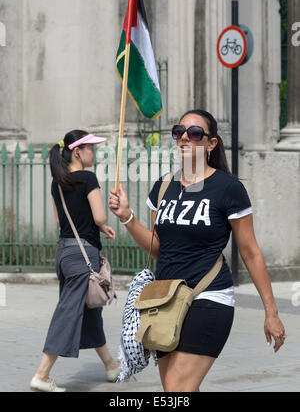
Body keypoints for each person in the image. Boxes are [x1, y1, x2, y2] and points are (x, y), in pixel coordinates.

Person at [109, 109, 286, 393]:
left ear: (211, 143)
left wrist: (271, 312)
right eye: (179, 132)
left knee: (179, 388)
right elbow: (158, 248)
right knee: (174, 389)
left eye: (193, 133)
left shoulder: (228, 189)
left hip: (209, 296)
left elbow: (250, 252)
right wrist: (127, 217)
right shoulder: (163, 187)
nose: (184, 139)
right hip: (167, 299)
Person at [30, 130, 120, 393]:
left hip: (65, 253)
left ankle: (110, 365)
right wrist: (104, 222)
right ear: (78, 152)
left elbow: (62, 221)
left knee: (90, 311)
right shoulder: (88, 178)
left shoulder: (57, 182)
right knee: (68, 313)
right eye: (91, 148)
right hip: (83, 256)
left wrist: (96, 227)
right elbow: (100, 216)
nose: (95, 152)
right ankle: (41, 375)